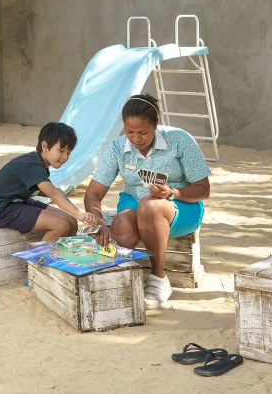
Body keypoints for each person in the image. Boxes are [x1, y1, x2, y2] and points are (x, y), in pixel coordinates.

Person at [83, 94, 210, 307]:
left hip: (180, 207)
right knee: (122, 223)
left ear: (155, 125)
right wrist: (100, 224)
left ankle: (159, 278)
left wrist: (172, 193)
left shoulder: (179, 140)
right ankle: (119, 278)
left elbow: (203, 189)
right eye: (129, 132)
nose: (136, 139)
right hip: (134, 201)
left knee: (149, 206)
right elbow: (92, 194)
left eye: (143, 132)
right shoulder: (117, 148)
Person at [0, 122, 98, 239]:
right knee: (61, 225)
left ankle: (66, 250)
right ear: (44, 146)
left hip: (22, 201)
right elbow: (53, 194)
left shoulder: (39, 164)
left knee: (72, 222)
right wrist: (80, 214)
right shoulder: (31, 164)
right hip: (3, 209)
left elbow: (44, 191)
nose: (65, 157)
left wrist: (59, 194)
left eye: (68, 153)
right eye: (61, 150)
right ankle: (39, 252)